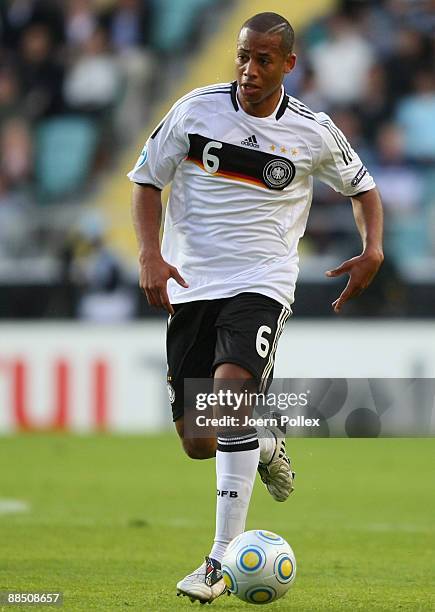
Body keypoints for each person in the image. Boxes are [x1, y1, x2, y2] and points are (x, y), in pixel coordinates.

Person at [129, 12, 384, 604]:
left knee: (230, 397)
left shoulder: (312, 131)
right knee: (199, 437)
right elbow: (145, 180)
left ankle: (219, 561)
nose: (248, 69)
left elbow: (363, 187)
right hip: (192, 284)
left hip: (260, 283)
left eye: (263, 59)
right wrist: (149, 254)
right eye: (243, 56)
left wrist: (372, 249)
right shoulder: (196, 110)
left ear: (289, 64)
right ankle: (265, 443)